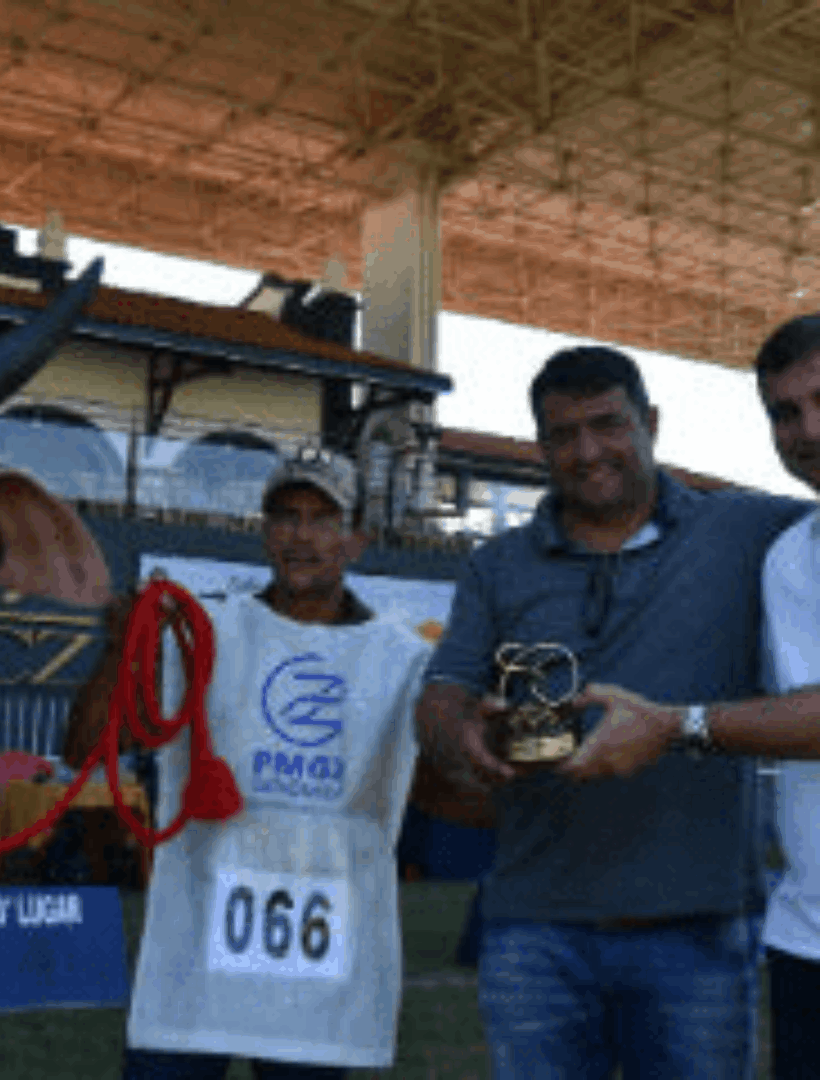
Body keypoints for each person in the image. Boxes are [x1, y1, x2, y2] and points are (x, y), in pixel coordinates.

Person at [417, 345, 811, 1078]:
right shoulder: (497, 564)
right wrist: (460, 735)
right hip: (535, 930)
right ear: (540, 446)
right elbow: (444, 691)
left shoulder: (744, 530)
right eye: (563, 434)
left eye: (608, 424)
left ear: (651, 422)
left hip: (703, 928)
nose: (588, 451)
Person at [558, 318, 820, 1078]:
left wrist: (676, 726)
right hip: (807, 939)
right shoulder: (790, 559)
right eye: (784, 412)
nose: (808, 429)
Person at [122, 446, 433, 1080]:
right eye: (286, 515)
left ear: (357, 540)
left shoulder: (404, 659)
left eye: (324, 519)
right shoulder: (202, 629)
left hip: (319, 952)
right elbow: (91, 747)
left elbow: (436, 785)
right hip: (200, 928)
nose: (301, 535)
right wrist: (118, 645)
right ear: (264, 531)